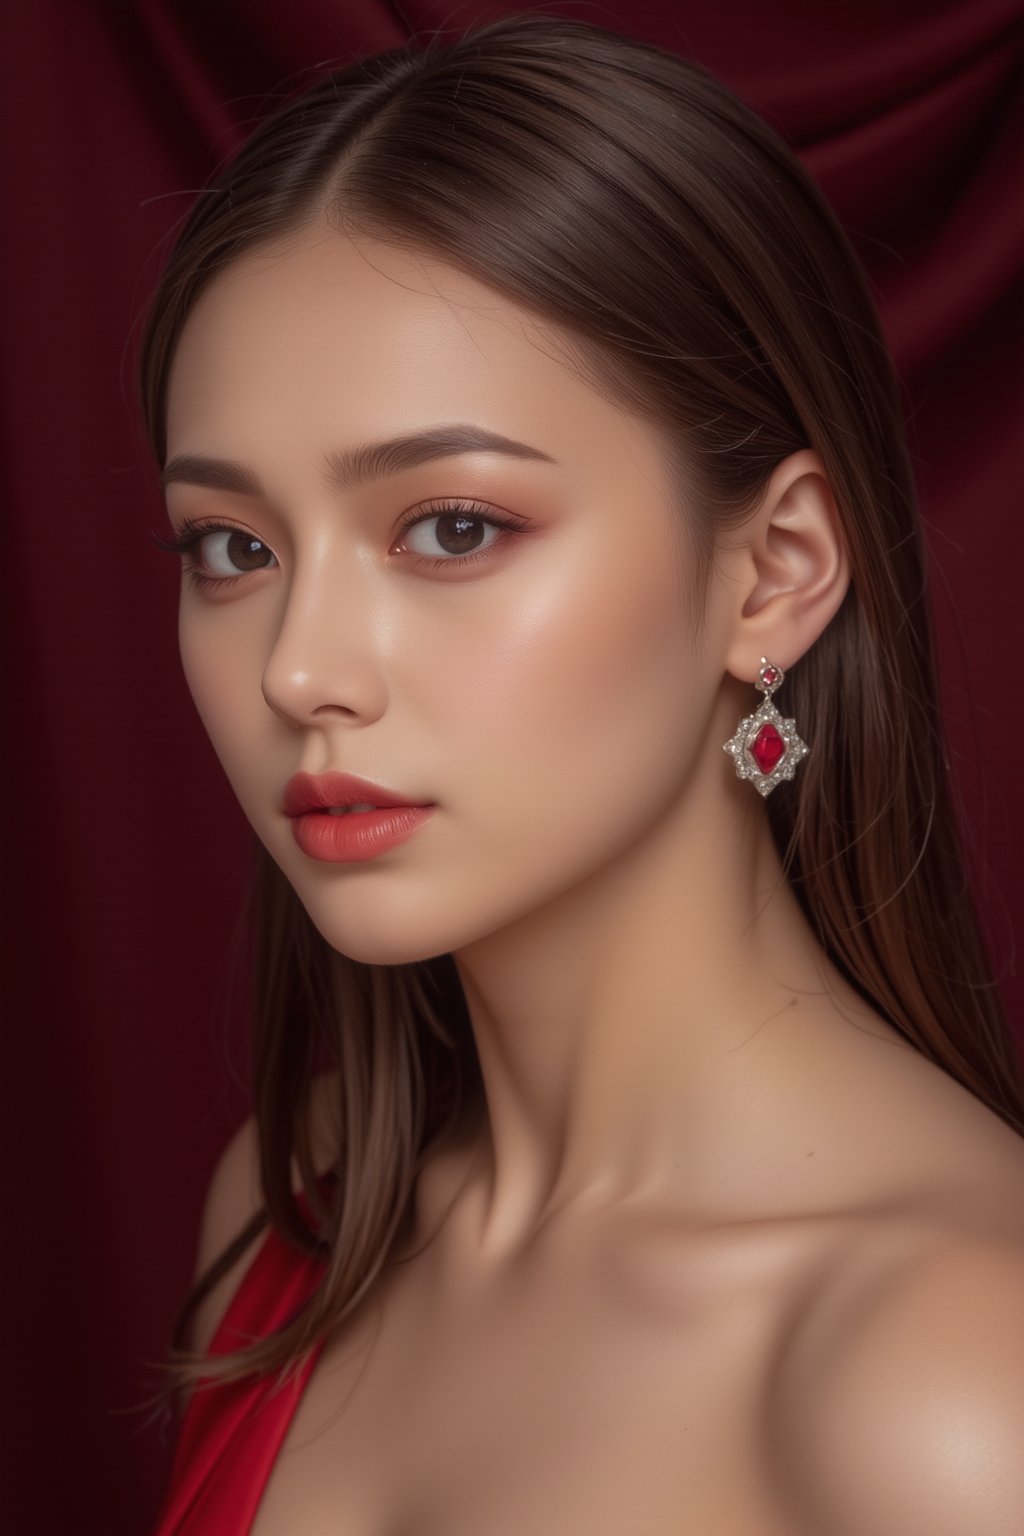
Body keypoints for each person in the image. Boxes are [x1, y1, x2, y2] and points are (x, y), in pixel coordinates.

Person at [142, 13, 1024, 1534]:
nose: (298, 669)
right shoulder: (296, 1202)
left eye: (455, 528)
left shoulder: (952, 1384)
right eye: (235, 547)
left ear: (774, 573)